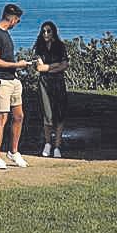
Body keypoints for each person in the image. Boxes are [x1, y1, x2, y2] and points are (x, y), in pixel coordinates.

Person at [0, 2, 32, 170]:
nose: (17, 24)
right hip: (0, 82)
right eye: (17, 21)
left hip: (13, 81)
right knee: (2, 118)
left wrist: (16, 68)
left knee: (18, 116)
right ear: (12, 19)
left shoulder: (5, 34)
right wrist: (17, 65)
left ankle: (13, 151)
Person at [33, 20, 70, 157]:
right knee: (47, 115)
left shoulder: (60, 46)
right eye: (43, 31)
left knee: (59, 115)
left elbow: (65, 65)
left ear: (53, 32)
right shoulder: (39, 48)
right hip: (44, 84)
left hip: (58, 83)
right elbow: (39, 67)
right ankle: (48, 143)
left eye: (48, 31)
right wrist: (55, 65)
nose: (46, 33)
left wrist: (48, 67)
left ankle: (57, 146)